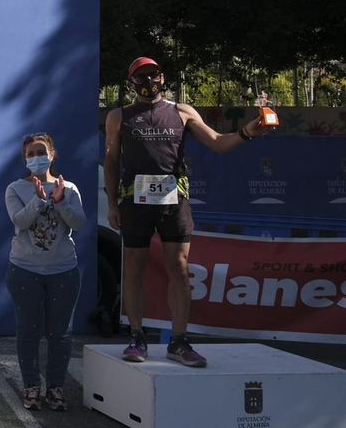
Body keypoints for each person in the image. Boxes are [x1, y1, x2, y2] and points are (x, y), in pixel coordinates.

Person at [105, 57, 272, 368]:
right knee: (134, 266)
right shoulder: (119, 116)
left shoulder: (182, 112)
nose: (147, 82)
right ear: (130, 83)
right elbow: (112, 161)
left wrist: (248, 132)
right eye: (140, 78)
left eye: (152, 76)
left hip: (173, 201)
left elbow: (219, 143)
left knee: (179, 267)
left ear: (162, 78)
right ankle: (137, 336)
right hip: (134, 202)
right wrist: (112, 204)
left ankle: (179, 340)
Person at [4, 134, 86, 411]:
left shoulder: (69, 187)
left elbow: (80, 222)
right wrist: (39, 200)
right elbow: (20, 220)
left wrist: (61, 201)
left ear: (52, 154)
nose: (36, 156)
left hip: (64, 270)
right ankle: (31, 386)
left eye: (42, 151)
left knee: (60, 333)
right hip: (24, 270)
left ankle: (55, 387)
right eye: (31, 152)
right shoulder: (15, 188)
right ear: (24, 158)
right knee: (28, 331)